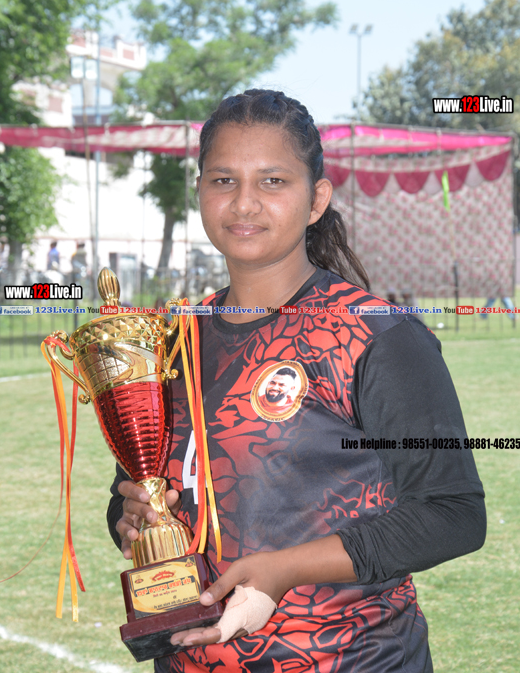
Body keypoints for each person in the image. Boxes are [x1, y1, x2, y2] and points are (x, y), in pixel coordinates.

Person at [108, 89, 486, 673]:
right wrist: (131, 518)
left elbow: (453, 513)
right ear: (200, 191)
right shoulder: (169, 340)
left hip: (354, 659)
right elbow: (129, 492)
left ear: (316, 200)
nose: (244, 203)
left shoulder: (377, 336)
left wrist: (284, 570)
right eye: (224, 180)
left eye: (273, 181)